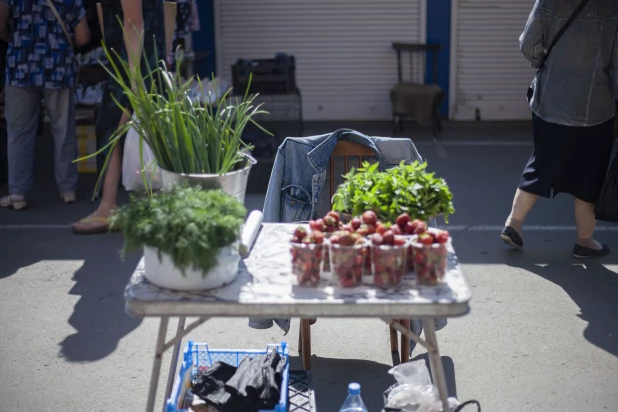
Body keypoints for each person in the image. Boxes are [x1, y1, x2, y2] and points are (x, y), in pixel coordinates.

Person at [501, 0, 618, 258]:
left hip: (549, 101)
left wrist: (551, 65)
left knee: (542, 163)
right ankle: (584, 241)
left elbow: (528, 44)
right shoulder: (612, 6)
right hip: (595, 108)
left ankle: (513, 224)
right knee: (590, 175)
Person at [71, 0, 165, 233]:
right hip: (130, 61)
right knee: (133, 128)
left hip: (135, 64)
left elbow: (135, 22)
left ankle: (111, 208)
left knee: (113, 127)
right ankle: (144, 207)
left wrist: (133, 79)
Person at [0, 0, 90, 210]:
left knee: (19, 132)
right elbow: (83, 36)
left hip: (20, 66)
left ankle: (17, 193)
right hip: (58, 67)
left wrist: (15, 39)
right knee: (63, 130)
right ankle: (68, 190)